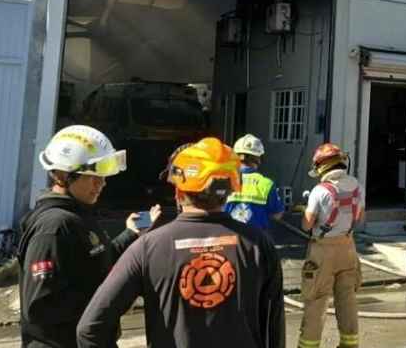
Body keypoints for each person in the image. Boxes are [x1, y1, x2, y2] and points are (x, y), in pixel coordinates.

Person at [76, 138, 284, 348]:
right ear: (231, 188)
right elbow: (274, 332)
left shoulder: (147, 248)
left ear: (177, 190)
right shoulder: (260, 246)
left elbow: (91, 328)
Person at [17, 125, 159, 348]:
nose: (101, 184)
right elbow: (40, 307)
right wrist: (109, 301)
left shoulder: (77, 216)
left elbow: (96, 263)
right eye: (93, 177)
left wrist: (131, 234)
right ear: (64, 176)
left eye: (102, 177)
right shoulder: (53, 227)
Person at [297, 143, 364, 348]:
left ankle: (308, 345)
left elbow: (307, 225)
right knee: (347, 298)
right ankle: (349, 343)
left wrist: (305, 211)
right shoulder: (356, 186)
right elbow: (360, 217)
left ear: (321, 167)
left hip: (323, 250)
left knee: (316, 299)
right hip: (348, 247)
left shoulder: (319, 190)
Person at [224, 134, 285, 232]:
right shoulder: (266, 184)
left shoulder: (224, 180)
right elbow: (277, 214)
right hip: (255, 241)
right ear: (258, 159)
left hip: (228, 239)